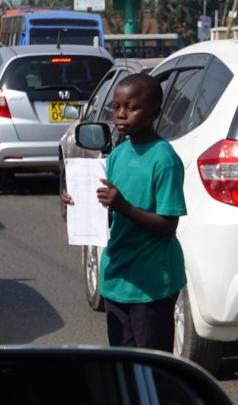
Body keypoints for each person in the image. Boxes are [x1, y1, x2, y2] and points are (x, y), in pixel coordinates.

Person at [61, 73, 186, 351]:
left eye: (131, 108)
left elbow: (168, 226)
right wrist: (80, 203)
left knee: (151, 364)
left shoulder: (164, 159)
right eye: (116, 107)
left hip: (151, 283)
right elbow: (109, 213)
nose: (120, 114)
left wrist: (123, 206)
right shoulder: (117, 154)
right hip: (117, 278)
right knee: (123, 362)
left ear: (154, 113)